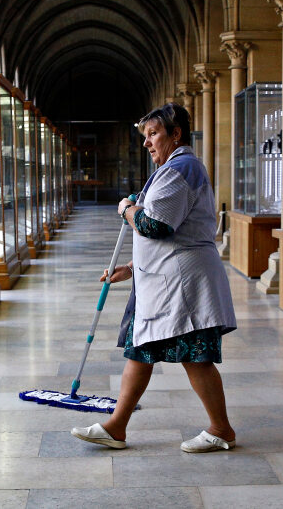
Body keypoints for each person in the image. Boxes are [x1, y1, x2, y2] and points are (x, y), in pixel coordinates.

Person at [71, 102, 237, 453]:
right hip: (164, 281)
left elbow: (155, 225)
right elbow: (169, 230)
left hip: (183, 285)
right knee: (140, 349)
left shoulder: (182, 167)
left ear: (175, 134)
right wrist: (130, 268)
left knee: (195, 355)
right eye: (145, 136)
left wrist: (127, 208)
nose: (147, 143)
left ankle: (221, 429)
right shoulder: (173, 168)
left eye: (153, 134)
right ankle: (116, 426)